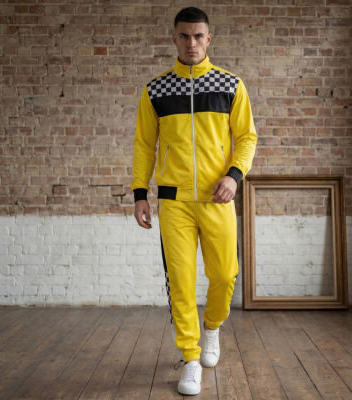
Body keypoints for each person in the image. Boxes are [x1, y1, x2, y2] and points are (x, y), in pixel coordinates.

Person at [131, 7, 257, 395]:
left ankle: (212, 327)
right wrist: (140, 193)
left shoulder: (230, 85)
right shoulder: (155, 90)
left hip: (218, 199)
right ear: (174, 38)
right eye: (184, 36)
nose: (191, 43)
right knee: (181, 283)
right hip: (174, 202)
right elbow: (144, 145)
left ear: (208, 39)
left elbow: (247, 137)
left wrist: (234, 176)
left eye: (198, 36)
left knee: (225, 275)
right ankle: (190, 358)